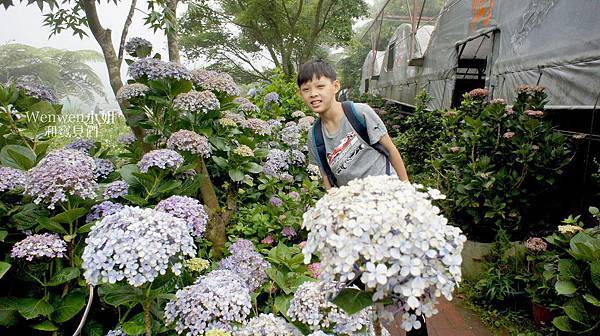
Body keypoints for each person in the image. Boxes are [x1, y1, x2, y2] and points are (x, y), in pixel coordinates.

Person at [299, 59, 410, 190]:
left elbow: (391, 150)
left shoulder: (360, 113)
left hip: (388, 193)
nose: (313, 94)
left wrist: (406, 186)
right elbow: (325, 176)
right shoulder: (314, 136)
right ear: (301, 94)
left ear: (335, 86)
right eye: (306, 89)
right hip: (355, 205)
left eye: (320, 86)